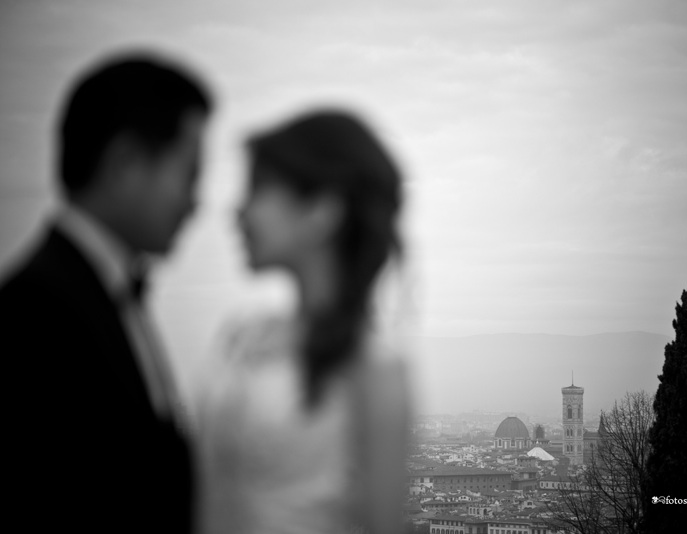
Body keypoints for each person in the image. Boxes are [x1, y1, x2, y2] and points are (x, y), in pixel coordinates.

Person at [0, 53, 212, 533]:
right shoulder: (33, 312)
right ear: (125, 164)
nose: (196, 201)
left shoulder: (108, 293)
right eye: (190, 173)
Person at [193, 110, 411, 534]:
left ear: (322, 210)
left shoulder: (375, 370)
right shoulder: (241, 336)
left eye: (259, 189)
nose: (238, 211)